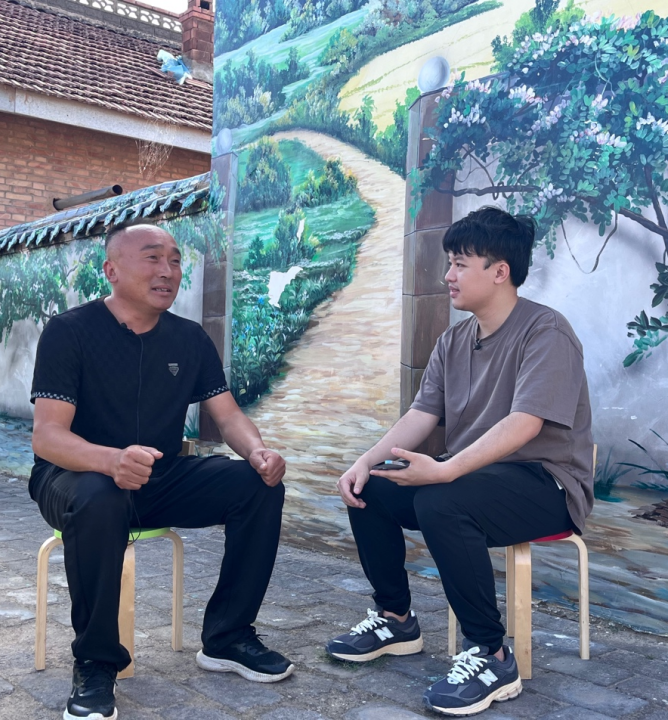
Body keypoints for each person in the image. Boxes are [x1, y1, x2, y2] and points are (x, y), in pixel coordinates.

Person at [326, 206, 594, 716]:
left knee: (442, 502)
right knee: (372, 489)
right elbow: (421, 415)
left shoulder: (546, 331)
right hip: (475, 478)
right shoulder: (453, 341)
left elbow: (525, 424)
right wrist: (365, 461)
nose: (447, 275)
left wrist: (445, 470)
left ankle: (491, 654)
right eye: (449, 262)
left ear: (500, 271)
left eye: (460, 264)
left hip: (547, 485)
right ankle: (396, 620)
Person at [29, 224, 294, 720]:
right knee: (100, 496)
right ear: (111, 270)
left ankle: (228, 636)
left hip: (159, 477)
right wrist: (110, 460)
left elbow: (228, 415)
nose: (168, 271)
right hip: (74, 479)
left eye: (174, 260)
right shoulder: (70, 331)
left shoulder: (189, 338)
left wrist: (258, 451)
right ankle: (96, 663)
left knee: (256, 485)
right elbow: (47, 437)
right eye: (152, 258)